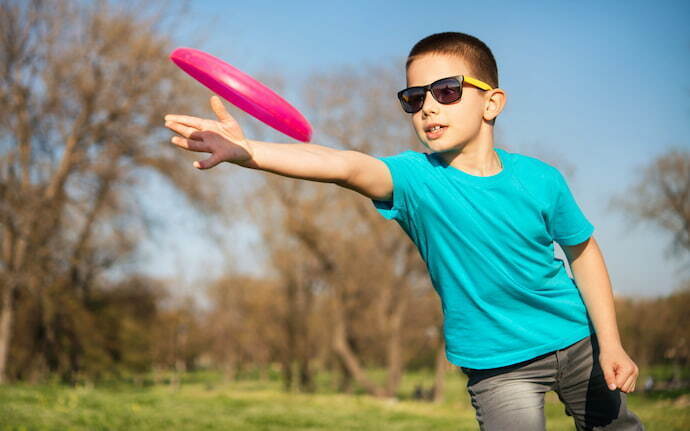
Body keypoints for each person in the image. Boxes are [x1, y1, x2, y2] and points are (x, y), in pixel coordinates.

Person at [164, 31, 644, 430]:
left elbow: (583, 253)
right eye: (414, 98)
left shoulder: (541, 179)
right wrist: (252, 152)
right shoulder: (417, 180)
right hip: (499, 368)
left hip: (575, 340)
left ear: (492, 103)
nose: (428, 108)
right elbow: (341, 165)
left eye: (447, 91)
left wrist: (612, 342)